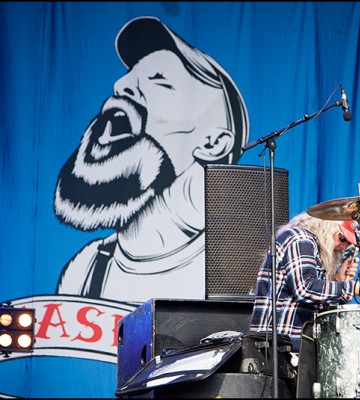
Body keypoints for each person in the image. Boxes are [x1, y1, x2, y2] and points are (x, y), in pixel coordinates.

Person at [54, 16, 249, 303]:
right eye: (128, 78)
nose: (121, 86)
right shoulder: (86, 269)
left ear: (213, 143)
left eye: (159, 81)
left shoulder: (233, 267)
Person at [249, 211, 360, 353]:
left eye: (348, 244)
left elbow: (314, 305)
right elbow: (305, 288)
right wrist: (356, 287)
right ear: (326, 226)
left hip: (291, 347)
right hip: (278, 348)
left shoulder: (311, 248)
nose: (343, 247)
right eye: (342, 238)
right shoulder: (300, 239)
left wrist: (337, 280)